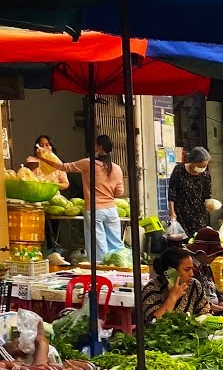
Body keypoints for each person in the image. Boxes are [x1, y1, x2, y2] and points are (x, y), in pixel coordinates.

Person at [37, 134, 124, 262]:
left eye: (95, 145)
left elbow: (63, 167)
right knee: (116, 244)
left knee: (98, 246)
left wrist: (43, 158)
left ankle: (100, 272)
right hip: (112, 210)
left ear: (99, 147)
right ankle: (120, 268)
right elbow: (119, 192)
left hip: (95, 210)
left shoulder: (88, 163)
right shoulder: (116, 168)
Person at [141, 247, 210, 322]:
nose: (192, 274)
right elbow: (153, 323)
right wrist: (172, 297)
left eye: (192, 269)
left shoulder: (194, 285)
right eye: (187, 270)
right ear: (171, 271)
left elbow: (204, 313)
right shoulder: (152, 289)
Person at [168, 146, 213, 235]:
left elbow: (207, 196)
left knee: (197, 240)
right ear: (193, 162)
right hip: (180, 213)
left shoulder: (205, 176)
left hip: (198, 216)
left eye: (205, 166)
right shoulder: (179, 170)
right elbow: (172, 193)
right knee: (181, 240)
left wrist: (209, 206)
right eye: (200, 166)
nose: (202, 169)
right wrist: (172, 212)